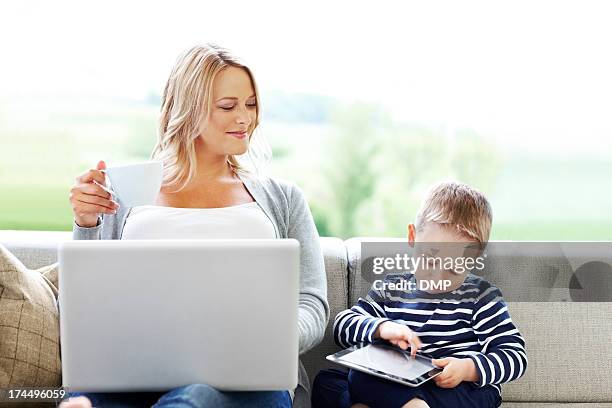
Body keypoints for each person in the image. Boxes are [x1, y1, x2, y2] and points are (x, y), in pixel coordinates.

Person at [61, 44, 329, 408]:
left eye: (250, 104)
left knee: (196, 397)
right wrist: (86, 223)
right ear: (187, 109)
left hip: (249, 379)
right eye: (227, 106)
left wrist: (272, 339)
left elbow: (311, 302)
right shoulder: (124, 192)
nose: (245, 118)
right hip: (130, 374)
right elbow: (88, 300)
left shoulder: (284, 198)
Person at [312, 181, 528, 408]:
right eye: (430, 260)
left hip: (456, 390)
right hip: (400, 385)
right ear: (413, 236)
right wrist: (382, 328)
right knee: (331, 380)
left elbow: (514, 356)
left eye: (454, 268)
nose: (437, 276)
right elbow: (343, 326)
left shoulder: (480, 297)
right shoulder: (392, 288)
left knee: (480, 396)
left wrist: (468, 369)